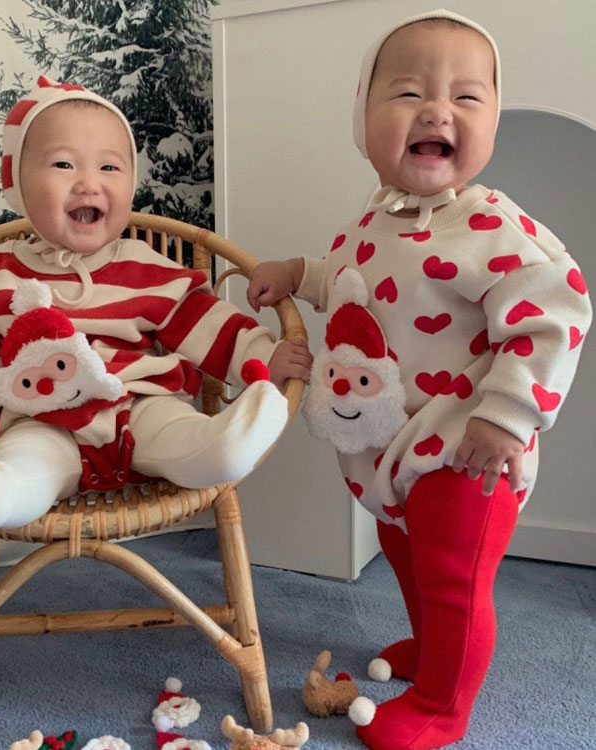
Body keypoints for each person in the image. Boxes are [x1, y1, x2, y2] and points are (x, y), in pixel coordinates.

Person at [246, 9, 591, 750]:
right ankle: (431, 651)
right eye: (408, 92)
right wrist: (297, 272)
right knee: (405, 555)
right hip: (391, 451)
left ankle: (443, 703)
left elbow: (556, 312)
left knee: (451, 577)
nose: (437, 110)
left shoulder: (493, 226)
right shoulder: (373, 221)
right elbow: (353, 282)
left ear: (491, 122)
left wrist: (507, 415)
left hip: (467, 450)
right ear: (363, 119)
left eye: (466, 97)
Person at [0, 75, 312, 533]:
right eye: (64, 165)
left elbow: (207, 324)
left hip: (141, 407)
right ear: (19, 187)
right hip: (41, 420)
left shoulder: (146, 269)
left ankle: (223, 448)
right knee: (21, 467)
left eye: (109, 168)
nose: (89, 182)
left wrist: (263, 355)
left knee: (184, 434)